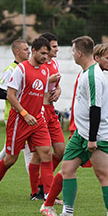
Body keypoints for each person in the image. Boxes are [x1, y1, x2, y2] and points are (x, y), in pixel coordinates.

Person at [40, 43, 108, 216]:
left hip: (92, 132)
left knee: (105, 170)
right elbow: (89, 106)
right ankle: (53, 207)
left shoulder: (93, 75)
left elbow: (94, 106)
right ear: (96, 57)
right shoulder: (88, 75)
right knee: (71, 169)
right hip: (84, 132)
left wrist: (101, 117)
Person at [0, 37, 55, 204]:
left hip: (37, 120)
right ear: (34, 51)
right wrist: (25, 114)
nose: (46, 57)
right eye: (43, 53)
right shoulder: (20, 70)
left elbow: (41, 95)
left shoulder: (45, 71)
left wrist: (46, 112)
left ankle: (48, 195)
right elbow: (10, 95)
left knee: (46, 154)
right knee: (10, 159)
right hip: (19, 120)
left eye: (47, 53)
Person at [0, 39, 33, 194]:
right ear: (17, 52)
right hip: (13, 117)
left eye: (28, 49)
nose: (28, 52)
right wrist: (18, 96)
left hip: (26, 116)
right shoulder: (12, 69)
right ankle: (37, 191)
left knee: (10, 153)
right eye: (25, 49)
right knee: (27, 152)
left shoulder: (26, 69)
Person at [34, 33, 65, 200]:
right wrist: (47, 81)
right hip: (38, 111)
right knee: (10, 156)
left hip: (51, 111)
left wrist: (58, 91)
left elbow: (57, 86)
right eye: (54, 47)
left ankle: (41, 187)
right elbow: (34, 86)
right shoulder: (36, 66)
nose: (56, 49)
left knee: (60, 151)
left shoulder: (55, 64)